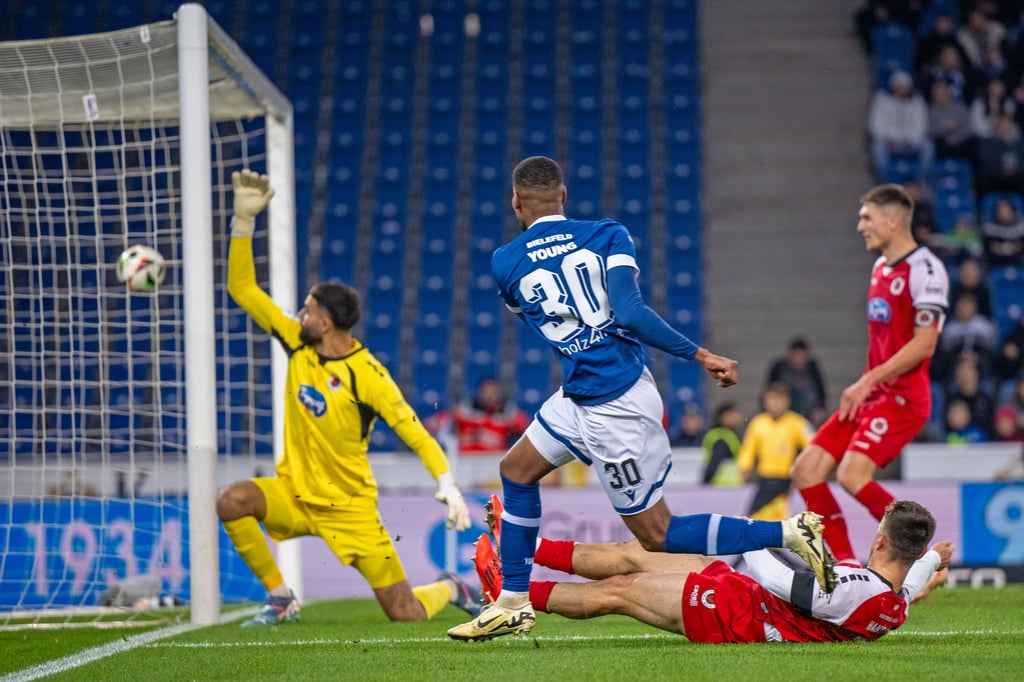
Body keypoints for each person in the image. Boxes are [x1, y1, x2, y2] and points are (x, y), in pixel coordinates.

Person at [447, 156, 836, 641]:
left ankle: (790, 532)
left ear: (516, 202)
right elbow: (629, 312)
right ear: (564, 196)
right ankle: (513, 601)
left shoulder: (504, 260)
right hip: (590, 393)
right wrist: (700, 354)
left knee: (656, 534)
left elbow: (526, 310)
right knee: (517, 469)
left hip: (615, 408)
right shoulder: (608, 234)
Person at [217, 170, 480, 626]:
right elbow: (243, 290)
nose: (297, 313)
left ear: (324, 324)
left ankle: (450, 587)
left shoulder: (369, 377)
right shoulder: (297, 341)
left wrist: (446, 481)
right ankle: (280, 598)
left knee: (406, 615)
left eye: (307, 308)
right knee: (233, 501)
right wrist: (243, 223)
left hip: (350, 509)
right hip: (294, 493)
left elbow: (416, 434)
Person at [472, 497, 953, 644]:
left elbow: (781, 582)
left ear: (881, 540)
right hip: (746, 593)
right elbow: (908, 584)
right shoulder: (893, 604)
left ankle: (510, 593)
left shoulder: (855, 591)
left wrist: (752, 534)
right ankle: (523, 545)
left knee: (622, 589)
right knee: (635, 551)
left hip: (742, 616)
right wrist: (933, 558)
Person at [790, 184, 950, 567]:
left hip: (903, 398)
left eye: (866, 217)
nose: (860, 226)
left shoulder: (926, 270)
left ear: (892, 221)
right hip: (874, 393)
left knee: (851, 474)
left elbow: (924, 345)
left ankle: (922, 558)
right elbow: (883, 340)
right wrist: (867, 384)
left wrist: (867, 381)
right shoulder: (880, 267)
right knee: (806, 470)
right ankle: (845, 565)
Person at [737, 383, 814, 520]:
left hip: (786, 479)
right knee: (754, 515)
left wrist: (803, 469)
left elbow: (811, 445)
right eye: (771, 399)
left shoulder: (796, 422)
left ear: (787, 401)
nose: (775, 404)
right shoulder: (758, 422)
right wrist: (745, 466)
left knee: (782, 515)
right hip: (765, 478)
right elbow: (749, 447)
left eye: (778, 399)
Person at [428, 377, 530, 454]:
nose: (490, 396)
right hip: (465, 462)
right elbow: (431, 424)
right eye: (486, 392)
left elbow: (527, 428)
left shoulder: (506, 413)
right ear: (479, 393)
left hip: (493, 463)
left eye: (493, 393)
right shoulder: (464, 410)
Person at [868, 70, 933, 181]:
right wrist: (890, 137)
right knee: (877, 147)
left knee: (927, 146)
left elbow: (921, 124)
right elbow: (875, 125)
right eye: (898, 86)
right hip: (889, 141)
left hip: (911, 141)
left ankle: (922, 181)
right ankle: (885, 180)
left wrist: (911, 138)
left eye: (904, 87)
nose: (901, 89)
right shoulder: (882, 100)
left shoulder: (917, 101)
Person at [765, 337, 828, 427]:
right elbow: (771, 389)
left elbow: (821, 391)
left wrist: (820, 409)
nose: (799, 359)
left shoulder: (813, 369)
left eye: (801, 355)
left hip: (808, 413)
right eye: (796, 355)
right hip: (784, 415)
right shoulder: (780, 369)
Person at [700, 402, 744, 486]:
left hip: (730, 487)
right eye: (732, 414)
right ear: (722, 417)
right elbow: (713, 464)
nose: (737, 416)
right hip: (722, 488)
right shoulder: (721, 437)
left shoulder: (730, 434)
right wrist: (705, 485)